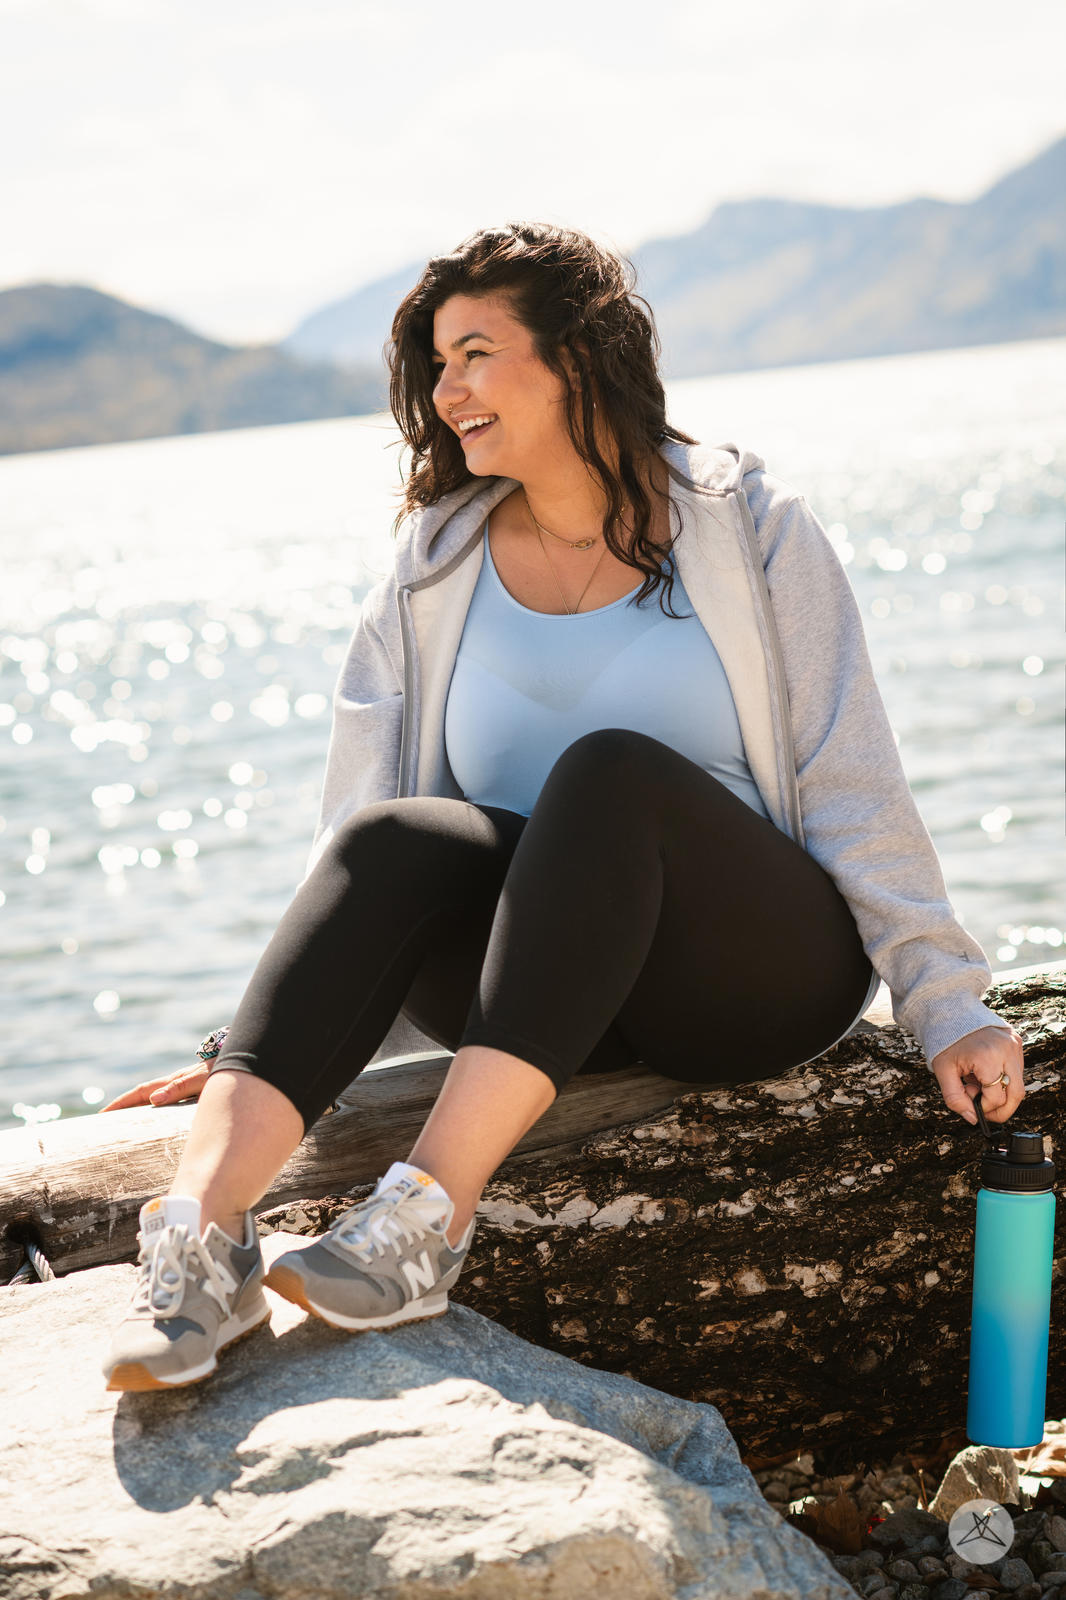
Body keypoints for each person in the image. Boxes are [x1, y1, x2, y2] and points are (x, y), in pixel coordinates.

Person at [99, 221, 1025, 1393]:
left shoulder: (747, 526)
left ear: (577, 357)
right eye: (435, 365)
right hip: (541, 1000)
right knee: (390, 838)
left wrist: (944, 1001)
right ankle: (203, 1246)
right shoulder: (433, 562)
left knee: (609, 771)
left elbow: (851, 777)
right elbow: (364, 828)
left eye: (475, 353)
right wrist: (261, 1043)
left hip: (740, 976)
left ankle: (424, 1221)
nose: (446, 392)